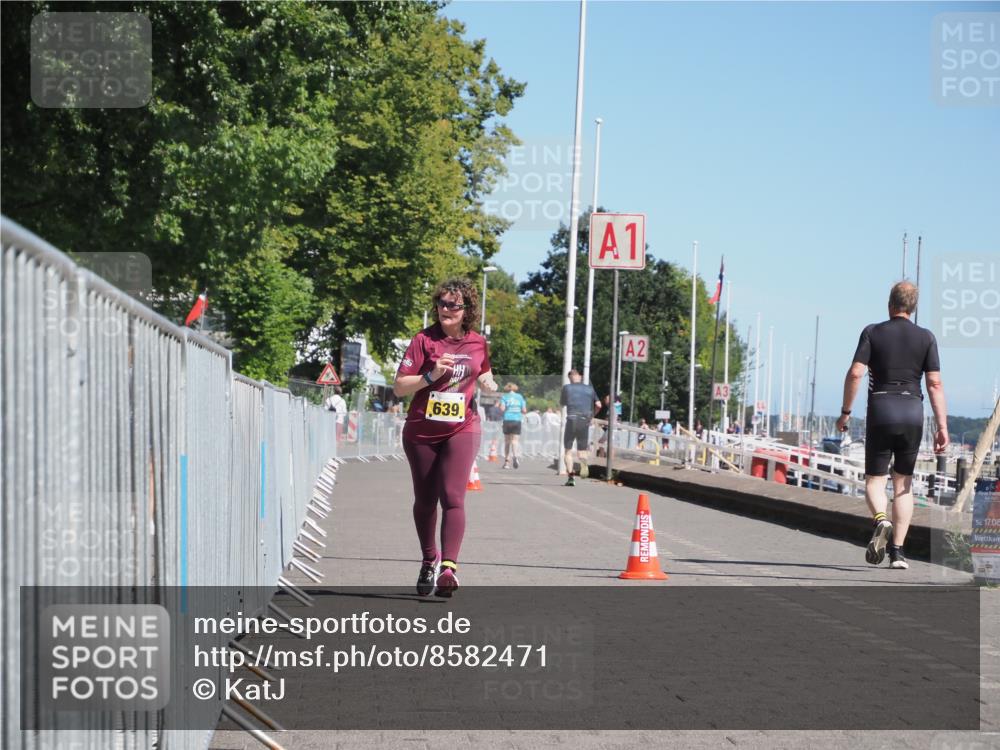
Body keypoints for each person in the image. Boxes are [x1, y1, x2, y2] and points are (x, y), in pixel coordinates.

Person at [394, 278, 498, 597]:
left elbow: (484, 372)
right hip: (422, 430)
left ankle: (449, 568)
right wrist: (430, 376)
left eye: (452, 305)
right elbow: (399, 387)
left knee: (453, 497)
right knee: (425, 501)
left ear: (466, 310)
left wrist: (490, 385)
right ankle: (430, 560)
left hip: (461, 427)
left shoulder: (478, 342)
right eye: (441, 303)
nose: (445, 310)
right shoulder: (424, 340)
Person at [836, 281, 948, 570]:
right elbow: (934, 384)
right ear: (913, 308)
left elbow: (856, 373)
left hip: (882, 410)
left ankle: (881, 520)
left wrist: (845, 412)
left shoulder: (873, 332)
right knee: (904, 484)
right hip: (913, 411)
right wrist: (942, 426)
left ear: (890, 304)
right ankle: (897, 553)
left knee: (874, 481)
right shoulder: (926, 337)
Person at [559, 370, 602, 486]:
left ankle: (571, 477)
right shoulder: (589, 389)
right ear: (580, 377)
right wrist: (592, 416)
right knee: (582, 450)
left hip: (572, 419)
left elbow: (562, 403)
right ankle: (583, 465)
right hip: (584, 420)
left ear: (570, 378)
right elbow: (599, 405)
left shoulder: (566, 388)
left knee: (568, 451)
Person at [499, 382, 527, 469]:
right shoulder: (520, 397)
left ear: (507, 388)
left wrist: (506, 408)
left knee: (507, 442)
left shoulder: (504, 397)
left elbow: (502, 409)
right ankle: (515, 456)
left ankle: (507, 462)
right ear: (515, 388)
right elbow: (524, 410)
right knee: (515, 441)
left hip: (507, 419)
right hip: (517, 420)